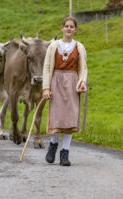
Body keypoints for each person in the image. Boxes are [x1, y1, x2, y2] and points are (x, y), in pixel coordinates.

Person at [42, 17, 87, 166]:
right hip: (56, 81)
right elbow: (47, 66)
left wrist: (82, 83)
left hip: (72, 83)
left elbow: (83, 68)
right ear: (61, 28)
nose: (68, 28)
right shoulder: (54, 46)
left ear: (75, 30)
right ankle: (53, 145)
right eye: (66, 26)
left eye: (71, 26)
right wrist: (46, 87)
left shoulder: (79, 46)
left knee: (69, 119)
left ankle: (65, 153)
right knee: (57, 117)